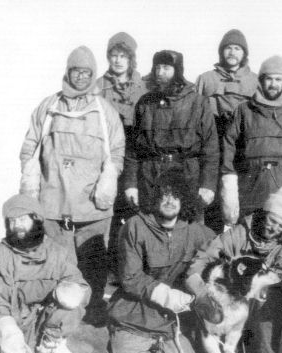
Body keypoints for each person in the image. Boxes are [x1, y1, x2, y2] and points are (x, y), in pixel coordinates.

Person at [19, 46, 125, 325]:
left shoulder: (105, 111)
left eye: (86, 72)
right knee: (55, 263)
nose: (80, 76)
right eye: (76, 71)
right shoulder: (49, 106)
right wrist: (30, 183)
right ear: (67, 72)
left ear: (92, 75)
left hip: (91, 206)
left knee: (93, 263)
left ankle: (92, 309)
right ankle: (56, 310)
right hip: (54, 203)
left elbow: (116, 151)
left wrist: (109, 179)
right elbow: (30, 148)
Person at [186, 185, 282, 353]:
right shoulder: (241, 231)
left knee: (265, 298)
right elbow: (208, 253)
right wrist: (195, 282)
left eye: (280, 226)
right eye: (271, 220)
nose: (273, 228)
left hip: (267, 296)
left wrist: (260, 280)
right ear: (265, 213)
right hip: (236, 290)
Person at [106, 171, 217, 353]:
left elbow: (221, 249)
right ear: (154, 198)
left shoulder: (195, 230)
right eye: (163, 195)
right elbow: (130, 278)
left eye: (175, 196)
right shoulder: (135, 226)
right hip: (135, 317)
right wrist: (167, 295)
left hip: (170, 322)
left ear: (184, 201)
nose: (169, 201)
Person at [0, 194, 90, 353]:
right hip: (18, 324)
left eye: (22, 219)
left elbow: (80, 285)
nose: (17, 226)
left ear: (36, 219)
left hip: (48, 321)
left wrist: (67, 291)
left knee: (73, 297)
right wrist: (7, 329)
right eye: (12, 221)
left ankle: (50, 346)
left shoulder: (56, 252)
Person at [123, 50, 220, 222]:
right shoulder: (145, 103)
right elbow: (132, 150)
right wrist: (131, 185)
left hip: (188, 177)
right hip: (150, 178)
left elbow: (210, 149)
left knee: (189, 234)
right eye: (157, 68)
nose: (160, 73)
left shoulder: (198, 103)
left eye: (166, 68)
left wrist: (208, 185)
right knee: (150, 230)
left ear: (178, 71)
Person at [221, 56, 282, 231]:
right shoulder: (244, 111)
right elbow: (229, 147)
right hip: (251, 189)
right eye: (269, 79)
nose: (273, 84)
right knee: (248, 244)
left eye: (278, 79)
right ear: (261, 80)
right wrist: (229, 186)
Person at [96, 31, 149, 282]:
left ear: (131, 59)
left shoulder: (143, 87)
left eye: (123, 56)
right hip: (107, 155)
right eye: (113, 56)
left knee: (136, 209)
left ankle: (132, 266)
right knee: (112, 211)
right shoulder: (99, 86)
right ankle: (108, 265)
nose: (117, 61)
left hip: (136, 154)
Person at [195, 29, 259, 233]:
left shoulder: (255, 80)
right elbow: (195, 114)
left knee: (240, 196)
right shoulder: (206, 79)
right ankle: (212, 248)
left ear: (244, 53)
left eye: (237, 48)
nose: (232, 52)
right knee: (212, 196)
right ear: (221, 51)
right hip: (213, 139)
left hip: (242, 142)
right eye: (228, 48)